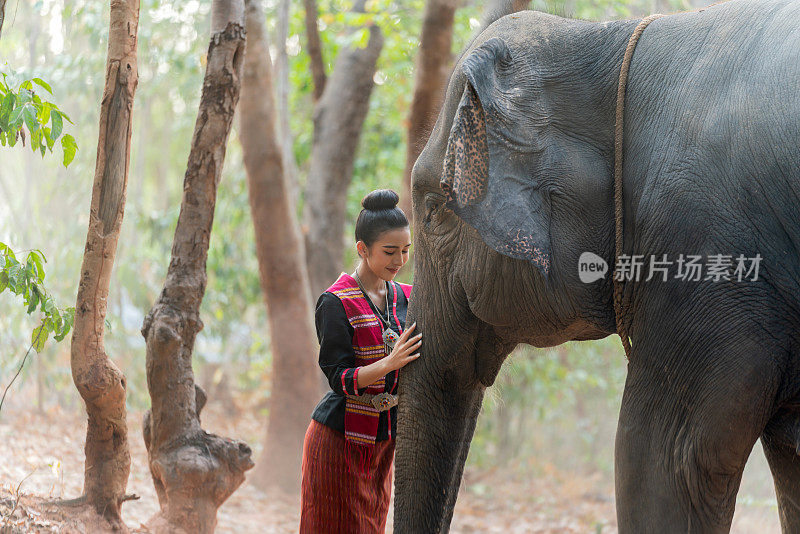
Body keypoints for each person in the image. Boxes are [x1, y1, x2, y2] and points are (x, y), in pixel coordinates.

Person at [299, 189, 421, 534]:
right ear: (362, 249)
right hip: (339, 441)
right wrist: (389, 362)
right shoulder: (335, 302)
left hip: (382, 445)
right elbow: (338, 378)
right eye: (389, 252)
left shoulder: (408, 297)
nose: (399, 260)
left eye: (405, 250)